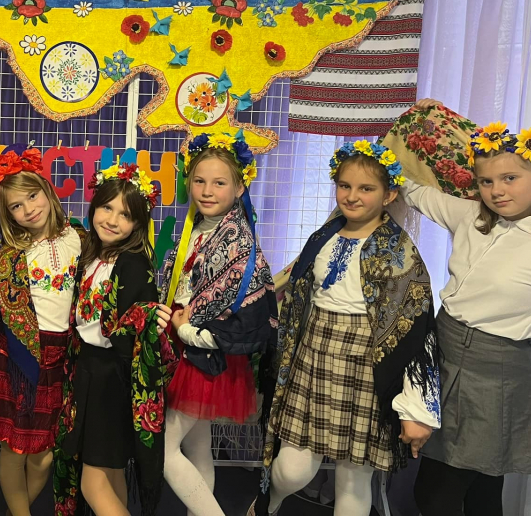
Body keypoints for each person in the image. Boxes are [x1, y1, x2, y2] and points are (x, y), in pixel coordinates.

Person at [252, 141, 440, 516]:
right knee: (291, 470)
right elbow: (294, 290)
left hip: (366, 366)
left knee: (354, 481)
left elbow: (418, 332)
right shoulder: (323, 237)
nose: (352, 196)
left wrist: (419, 407)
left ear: (389, 195)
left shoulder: (399, 252)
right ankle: (266, 505)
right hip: (313, 355)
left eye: (366, 188)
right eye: (344, 185)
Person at [403, 101, 531, 516]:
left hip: (499, 371)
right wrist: (404, 134)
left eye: (510, 178)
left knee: (450, 492)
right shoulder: (470, 214)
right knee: (466, 490)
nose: (497, 190)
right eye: (486, 181)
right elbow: (414, 190)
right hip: (443, 350)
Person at [160, 133, 277, 516]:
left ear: (240, 187)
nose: (207, 191)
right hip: (184, 345)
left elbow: (243, 315)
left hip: (204, 350)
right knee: (197, 445)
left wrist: (187, 330)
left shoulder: (238, 240)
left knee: (162, 448)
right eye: (199, 180)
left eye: (219, 182)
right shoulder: (197, 226)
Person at [54, 162, 175, 516]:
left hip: (112, 380)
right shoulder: (91, 255)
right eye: (107, 207)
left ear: (138, 223)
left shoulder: (133, 263)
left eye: (125, 214)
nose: (112, 219)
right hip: (90, 371)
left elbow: (133, 331)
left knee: (92, 483)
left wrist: (147, 320)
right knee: (110, 473)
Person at [0, 146, 83, 516]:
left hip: (61, 356)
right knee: (14, 449)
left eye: (32, 196)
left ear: (47, 190)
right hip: (18, 357)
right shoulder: (12, 253)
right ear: (8, 214)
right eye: (17, 206)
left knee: (43, 455)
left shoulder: (79, 238)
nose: (29, 209)